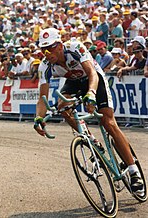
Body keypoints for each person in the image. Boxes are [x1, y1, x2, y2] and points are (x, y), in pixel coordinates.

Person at [34, 27, 144, 194]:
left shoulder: (75, 47)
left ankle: (133, 171)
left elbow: (92, 73)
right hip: (74, 82)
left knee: (108, 122)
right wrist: (38, 119)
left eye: (50, 47)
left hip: (94, 78)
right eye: (43, 49)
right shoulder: (44, 66)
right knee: (62, 106)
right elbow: (42, 98)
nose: (47, 52)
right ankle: (91, 139)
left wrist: (91, 93)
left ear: (60, 45)